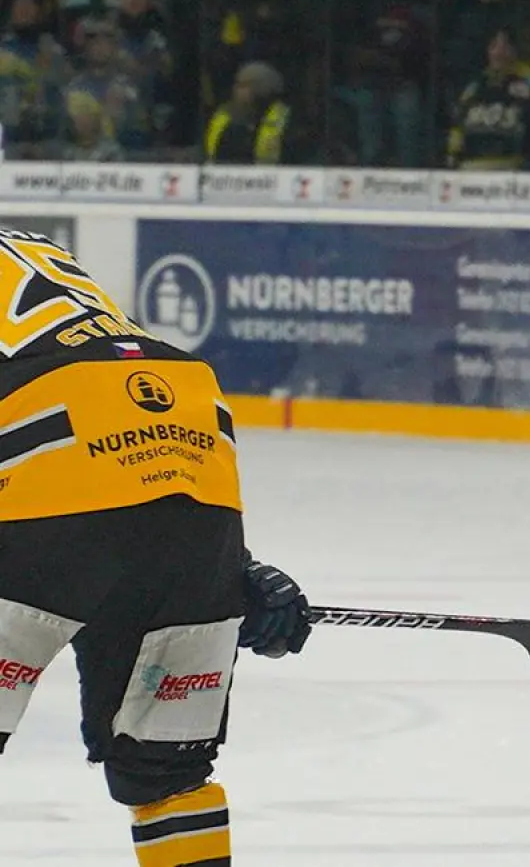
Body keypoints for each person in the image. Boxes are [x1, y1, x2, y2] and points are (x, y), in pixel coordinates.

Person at [0, 226, 312, 865]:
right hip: (185, 413)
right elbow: (107, 402)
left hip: (44, 427)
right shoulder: (28, 244)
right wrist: (229, 570)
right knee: (166, 774)